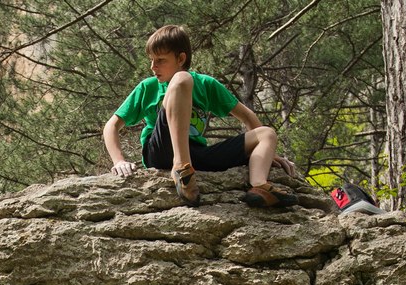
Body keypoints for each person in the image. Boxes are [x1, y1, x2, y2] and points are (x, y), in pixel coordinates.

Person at [103, 25, 297, 208]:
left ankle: (259, 185)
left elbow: (247, 116)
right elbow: (111, 126)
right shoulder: (148, 87)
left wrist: (269, 153)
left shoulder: (206, 84)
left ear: (181, 58)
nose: (153, 67)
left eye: (160, 60)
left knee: (266, 134)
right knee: (182, 79)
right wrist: (119, 160)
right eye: (151, 60)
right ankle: (181, 167)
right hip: (160, 151)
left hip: (196, 154)